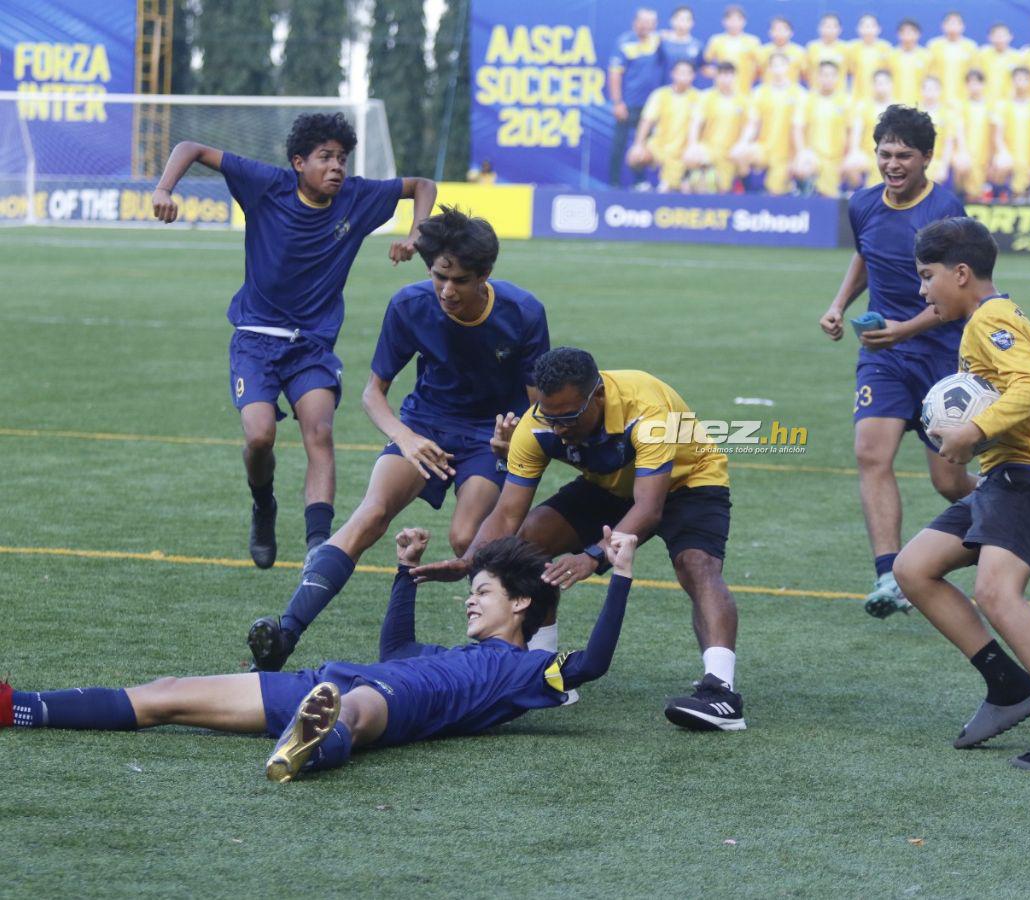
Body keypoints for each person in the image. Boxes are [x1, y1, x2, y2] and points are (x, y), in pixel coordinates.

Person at [2, 528, 639, 783]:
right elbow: (396, 648)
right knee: (167, 693)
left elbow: (595, 663)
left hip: (401, 702)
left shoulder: (527, 672)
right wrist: (402, 571)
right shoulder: (448, 650)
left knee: (355, 709)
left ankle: (310, 746)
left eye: (483, 593)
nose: (471, 603)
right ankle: (18, 707)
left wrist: (620, 574)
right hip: (335, 678)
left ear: (521, 605)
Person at [246, 207, 550, 672]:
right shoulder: (409, 305)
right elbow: (374, 394)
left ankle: (512, 660)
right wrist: (405, 438)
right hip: (423, 424)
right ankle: (285, 634)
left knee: (470, 540)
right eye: (439, 276)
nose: (447, 290)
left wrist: (513, 441)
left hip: (487, 436)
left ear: (485, 275)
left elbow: (539, 407)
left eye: (460, 280)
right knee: (369, 516)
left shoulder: (523, 313)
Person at [150, 113, 436, 569]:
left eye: (342, 158)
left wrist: (418, 231)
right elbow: (192, 148)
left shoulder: (357, 197)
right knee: (260, 437)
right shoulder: (267, 185)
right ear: (299, 162)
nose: (337, 167)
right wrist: (164, 189)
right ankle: (263, 505)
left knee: (319, 432)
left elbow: (422, 185)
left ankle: (317, 547)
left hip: (311, 346)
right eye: (325, 157)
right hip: (255, 340)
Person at [412, 347, 745, 732]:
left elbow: (649, 509)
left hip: (688, 480)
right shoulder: (537, 424)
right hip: (607, 484)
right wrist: (470, 559)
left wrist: (593, 557)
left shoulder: (647, 407)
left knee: (696, 565)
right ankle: (543, 669)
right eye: (549, 417)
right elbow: (507, 514)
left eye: (569, 417)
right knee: (527, 543)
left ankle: (721, 692)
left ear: (598, 395)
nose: (559, 429)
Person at [896, 216, 1030, 771]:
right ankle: (1008, 685)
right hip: (1007, 475)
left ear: (961, 272)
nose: (923, 290)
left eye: (927, 276)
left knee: (997, 594)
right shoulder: (988, 317)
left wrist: (973, 430)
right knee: (914, 567)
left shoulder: (990, 318)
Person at [820, 105, 975, 619]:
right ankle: (889, 573)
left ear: (926, 157)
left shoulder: (947, 212)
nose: (893, 163)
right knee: (871, 454)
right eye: (885, 153)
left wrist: (904, 329)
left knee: (949, 483)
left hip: (941, 359)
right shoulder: (863, 203)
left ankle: (1007, 508)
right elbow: (866, 254)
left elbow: (958, 296)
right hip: (884, 359)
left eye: (904, 154)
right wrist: (840, 304)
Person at [731, 52, 807, 196]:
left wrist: (799, 154)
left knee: (775, 191)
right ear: (769, 69)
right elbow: (753, 123)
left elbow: (798, 128)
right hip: (764, 149)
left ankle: (797, 189)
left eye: (781, 65)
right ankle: (750, 192)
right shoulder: (759, 92)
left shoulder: (800, 94)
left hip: (786, 154)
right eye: (774, 65)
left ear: (788, 67)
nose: (778, 68)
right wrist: (743, 142)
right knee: (739, 154)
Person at [608, 8, 665, 188]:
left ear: (655, 25)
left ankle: (640, 182)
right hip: (629, 104)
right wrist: (617, 102)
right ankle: (614, 184)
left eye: (650, 23)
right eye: (642, 22)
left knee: (646, 146)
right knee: (620, 144)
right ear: (635, 23)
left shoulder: (660, 42)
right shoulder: (624, 43)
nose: (646, 26)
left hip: (653, 107)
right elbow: (615, 74)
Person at [627, 59, 700, 192]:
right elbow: (647, 121)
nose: (683, 76)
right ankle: (641, 183)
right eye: (680, 72)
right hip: (658, 147)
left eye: (687, 73)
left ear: (693, 76)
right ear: (673, 74)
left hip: (683, 152)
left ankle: (683, 179)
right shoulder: (660, 94)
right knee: (635, 156)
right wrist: (638, 144)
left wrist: (693, 148)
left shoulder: (699, 98)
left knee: (671, 189)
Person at [684, 61, 749, 193]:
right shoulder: (706, 97)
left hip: (731, 152)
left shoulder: (744, 99)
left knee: (725, 186)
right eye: (722, 75)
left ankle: (742, 186)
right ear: (716, 77)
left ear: (735, 77)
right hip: (709, 149)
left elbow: (751, 125)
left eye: (729, 75)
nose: (726, 79)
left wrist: (742, 144)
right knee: (690, 157)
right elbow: (696, 123)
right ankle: (693, 180)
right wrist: (692, 145)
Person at [794, 61, 852, 198]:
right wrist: (801, 153)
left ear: (838, 78)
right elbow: (797, 128)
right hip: (813, 156)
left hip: (836, 158)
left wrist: (847, 156)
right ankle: (805, 193)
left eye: (832, 75)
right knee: (802, 168)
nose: (828, 79)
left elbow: (852, 131)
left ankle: (850, 198)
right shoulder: (807, 99)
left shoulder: (846, 101)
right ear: (818, 77)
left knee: (831, 194)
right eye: (824, 75)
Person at [991, 66, 1030, 204]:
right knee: (1003, 163)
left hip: (1029, 154)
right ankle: (1000, 194)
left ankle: (1026, 192)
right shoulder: (1002, 105)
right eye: (1018, 79)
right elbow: (997, 135)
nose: (1021, 82)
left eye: (1025, 79)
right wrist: (1003, 152)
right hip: (1008, 154)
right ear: (1012, 81)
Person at [845, 69, 895, 190]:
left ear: (891, 85)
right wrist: (854, 151)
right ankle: (858, 195)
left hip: (892, 155)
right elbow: (857, 131)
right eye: (878, 83)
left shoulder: (897, 108)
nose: (881, 87)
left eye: (884, 83)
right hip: (868, 154)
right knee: (850, 164)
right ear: (873, 86)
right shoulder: (863, 106)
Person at [953, 69, 996, 201]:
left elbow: (996, 133)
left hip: (985, 154)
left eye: (977, 83)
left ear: (983, 85)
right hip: (966, 153)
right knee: (962, 166)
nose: (974, 87)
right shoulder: (960, 106)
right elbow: (958, 131)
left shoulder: (991, 106)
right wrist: (962, 152)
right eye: (970, 83)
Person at [702, 5, 760, 97]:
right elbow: (704, 66)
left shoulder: (753, 41)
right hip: (720, 93)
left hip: (744, 93)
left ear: (744, 22)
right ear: (724, 22)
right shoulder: (716, 40)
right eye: (731, 20)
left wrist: (749, 77)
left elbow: (760, 66)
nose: (734, 23)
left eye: (738, 20)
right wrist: (718, 74)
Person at [927, 11, 977, 108]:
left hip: (964, 100)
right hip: (938, 99)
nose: (953, 26)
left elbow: (974, 76)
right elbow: (929, 74)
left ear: (962, 26)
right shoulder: (933, 46)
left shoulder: (971, 47)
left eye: (956, 23)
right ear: (943, 26)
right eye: (950, 23)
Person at [916, 75, 957, 185]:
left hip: (938, 162)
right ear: (921, 91)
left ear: (940, 91)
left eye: (934, 89)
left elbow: (948, 143)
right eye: (927, 89)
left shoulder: (947, 114)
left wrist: (943, 167)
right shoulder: (914, 113)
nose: (930, 93)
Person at [846, 14, 892, 105]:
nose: (868, 30)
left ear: (879, 29)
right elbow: (847, 72)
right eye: (865, 26)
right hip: (858, 99)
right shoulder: (852, 48)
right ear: (858, 29)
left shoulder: (886, 48)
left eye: (871, 26)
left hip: (880, 99)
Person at [975, 22, 1020, 106]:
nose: (1000, 39)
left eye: (1003, 36)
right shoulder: (982, 54)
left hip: (1009, 103)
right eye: (996, 36)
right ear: (989, 37)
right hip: (985, 102)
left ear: (1010, 37)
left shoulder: (1017, 57)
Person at [890, 19, 930, 107]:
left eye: (911, 32)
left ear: (918, 34)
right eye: (903, 32)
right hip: (895, 104)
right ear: (898, 35)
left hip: (920, 105)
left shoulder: (927, 56)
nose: (907, 35)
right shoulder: (890, 56)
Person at [756, 15, 806, 85]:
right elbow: (756, 73)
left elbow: (805, 75)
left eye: (783, 30)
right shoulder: (762, 51)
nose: (779, 33)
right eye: (775, 29)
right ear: (770, 32)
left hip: (792, 93)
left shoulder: (799, 52)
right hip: (767, 93)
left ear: (791, 33)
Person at [805, 12, 848, 90]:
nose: (830, 30)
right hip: (816, 94)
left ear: (840, 29)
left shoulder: (846, 48)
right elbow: (806, 73)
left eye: (833, 27)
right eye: (827, 26)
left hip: (839, 95)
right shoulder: (812, 47)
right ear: (820, 28)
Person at [660, 5, 702, 74]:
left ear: (692, 23)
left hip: (688, 84)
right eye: (679, 19)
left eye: (687, 20)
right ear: (671, 21)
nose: (682, 23)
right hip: (664, 84)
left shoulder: (698, 45)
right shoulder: (662, 42)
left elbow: (702, 67)